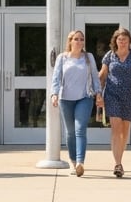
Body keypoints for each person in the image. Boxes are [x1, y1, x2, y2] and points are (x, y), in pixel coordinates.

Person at [50, 29, 101, 176]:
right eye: (76, 39)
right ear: (70, 41)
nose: (79, 42)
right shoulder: (62, 58)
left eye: (82, 39)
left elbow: (95, 76)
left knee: (80, 129)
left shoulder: (88, 57)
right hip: (65, 99)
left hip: (84, 98)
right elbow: (56, 77)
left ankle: (80, 162)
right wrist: (54, 94)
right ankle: (73, 161)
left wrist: (98, 93)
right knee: (70, 132)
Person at [96, 27, 131, 178]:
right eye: (119, 39)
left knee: (124, 131)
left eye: (125, 39)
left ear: (129, 41)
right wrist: (98, 95)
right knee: (116, 129)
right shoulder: (109, 56)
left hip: (130, 96)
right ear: (115, 41)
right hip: (112, 95)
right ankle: (118, 164)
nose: (122, 42)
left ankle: (120, 158)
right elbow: (102, 77)